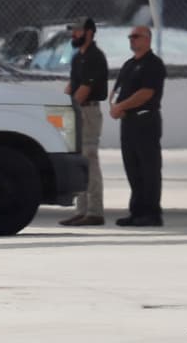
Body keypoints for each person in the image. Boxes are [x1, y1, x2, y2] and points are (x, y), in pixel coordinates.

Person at [110, 25, 166, 227]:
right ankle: (137, 211)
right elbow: (117, 90)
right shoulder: (128, 65)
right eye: (130, 37)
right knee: (132, 168)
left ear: (147, 39)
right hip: (128, 122)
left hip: (145, 120)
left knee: (148, 168)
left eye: (136, 37)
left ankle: (151, 212)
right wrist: (114, 106)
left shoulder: (153, 64)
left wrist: (122, 106)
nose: (132, 40)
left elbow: (146, 93)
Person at [58, 17, 108, 226]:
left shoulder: (96, 57)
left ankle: (95, 211)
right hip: (77, 111)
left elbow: (86, 88)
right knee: (78, 161)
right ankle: (82, 209)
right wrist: (62, 104)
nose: (74, 34)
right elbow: (73, 85)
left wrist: (71, 108)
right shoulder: (78, 57)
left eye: (77, 31)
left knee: (89, 158)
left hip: (87, 111)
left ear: (89, 32)